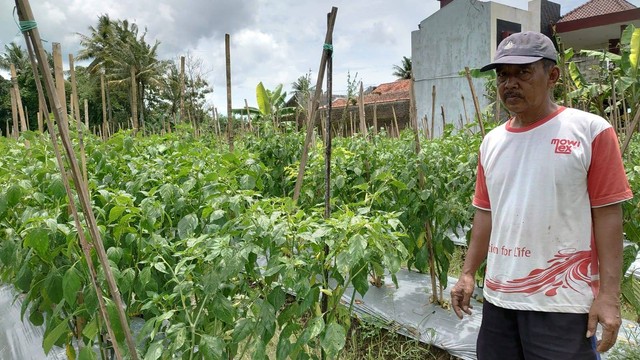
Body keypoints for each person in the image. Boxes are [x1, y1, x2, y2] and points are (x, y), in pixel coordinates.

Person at [450, 31, 633, 359]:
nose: (510, 83)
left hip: (561, 304)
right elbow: (485, 213)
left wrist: (609, 295)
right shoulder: (491, 142)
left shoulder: (590, 132)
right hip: (499, 300)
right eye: (502, 75)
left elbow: (608, 215)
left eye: (522, 72)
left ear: (552, 76)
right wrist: (467, 273)